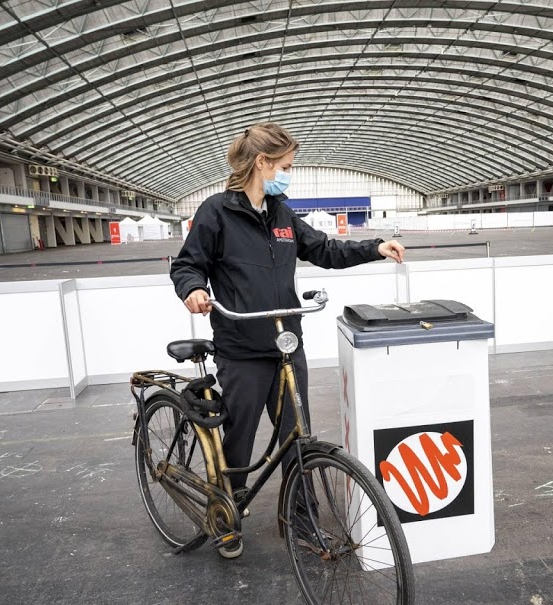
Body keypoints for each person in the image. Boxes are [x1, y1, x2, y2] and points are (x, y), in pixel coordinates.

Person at [170, 122, 405, 555]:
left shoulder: (281, 214)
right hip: (241, 349)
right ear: (262, 163)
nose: (288, 173)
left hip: (285, 346)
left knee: (298, 436)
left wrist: (374, 247)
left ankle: (303, 519)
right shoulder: (216, 212)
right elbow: (187, 265)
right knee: (239, 436)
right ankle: (228, 513)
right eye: (286, 166)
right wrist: (193, 290)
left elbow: (325, 250)